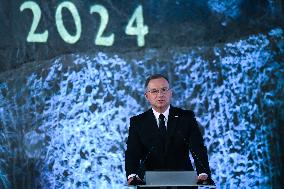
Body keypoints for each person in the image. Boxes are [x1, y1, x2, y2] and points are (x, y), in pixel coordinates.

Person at [125, 74, 214, 187]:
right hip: (149, 182)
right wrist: (132, 175)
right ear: (147, 96)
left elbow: (198, 148)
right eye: (154, 91)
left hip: (183, 181)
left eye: (164, 90)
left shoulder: (186, 117)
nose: (160, 95)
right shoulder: (138, 122)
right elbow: (132, 152)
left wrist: (203, 173)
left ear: (170, 93)